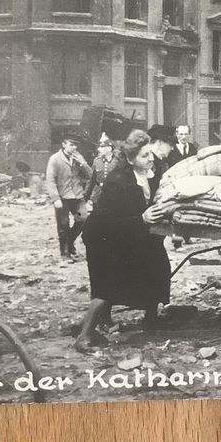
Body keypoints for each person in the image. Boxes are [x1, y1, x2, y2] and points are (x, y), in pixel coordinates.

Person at [74, 130, 174, 352]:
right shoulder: (118, 181)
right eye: (144, 156)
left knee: (156, 263)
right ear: (130, 160)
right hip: (103, 238)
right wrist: (142, 218)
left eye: (150, 154)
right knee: (107, 286)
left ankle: (151, 317)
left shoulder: (150, 174)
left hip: (128, 233)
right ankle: (84, 336)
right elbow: (110, 220)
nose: (150, 159)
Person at [45, 135, 92, 260]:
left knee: (83, 220)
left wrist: (84, 163)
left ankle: (69, 242)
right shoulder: (55, 159)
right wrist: (55, 198)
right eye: (71, 144)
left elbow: (91, 176)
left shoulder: (79, 158)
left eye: (76, 145)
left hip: (77, 196)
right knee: (63, 225)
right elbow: (50, 180)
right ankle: (64, 253)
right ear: (63, 144)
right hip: (63, 197)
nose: (74, 147)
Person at [84, 136, 120, 206]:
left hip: (114, 194)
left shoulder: (118, 162)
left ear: (109, 148)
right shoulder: (97, 161)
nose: (99, 149)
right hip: (98, 195)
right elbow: (92, 180)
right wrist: (86, 195)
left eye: (102, 147)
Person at [146, 125, 177, 191]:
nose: (172, 148)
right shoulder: (146, 160)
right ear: (159, 142)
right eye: (171, 144)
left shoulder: (158, 161)